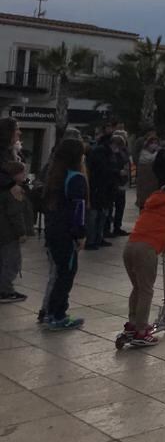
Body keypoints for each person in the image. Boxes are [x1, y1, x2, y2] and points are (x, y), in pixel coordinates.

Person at [121, 183, 165, 346]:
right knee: (146, 290)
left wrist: (164, 237)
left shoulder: (150, 204)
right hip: (146, 249)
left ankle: (132, 324)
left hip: (130, 246)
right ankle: (141, 331)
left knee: (137, 288)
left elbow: (154, 226)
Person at [42, 138, 88, 330]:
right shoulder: (76, 178)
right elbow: (78, 210)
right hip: (66, 233)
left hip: (53, 229)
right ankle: (57, 314)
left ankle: (51, 312)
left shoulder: (54, 174)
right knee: (66, 274)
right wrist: (80, 234)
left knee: (59, 272)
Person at [0, 161, 33, 303]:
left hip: (4, 231)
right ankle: (5, 290)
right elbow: (16, 214)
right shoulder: (14, 191)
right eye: (22, 172)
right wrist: (22, 232)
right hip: (10, 233)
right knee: (12, 262)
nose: (24, 175)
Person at [85, 131, 117, 250]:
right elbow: (103, 170)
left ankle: (97, 238)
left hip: (103, 189)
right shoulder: (101, 153)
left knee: (102, 215)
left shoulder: (105, 153)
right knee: (95, 216)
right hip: (98, 189)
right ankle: (92, 240)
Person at [107, 132, 131, 237]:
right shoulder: (110, 153)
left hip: (121, 182)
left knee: (120, 206)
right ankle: (107, 229)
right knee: (110, 207)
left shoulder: (123, 152)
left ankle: (117, 226)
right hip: (113, 182)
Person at [135, 133, 160, 210]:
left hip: (153, 182)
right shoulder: (143, 153)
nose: (154, 145)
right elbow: (149, 159)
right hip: (144, 182)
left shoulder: (156, 154)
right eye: (152, 143)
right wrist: (156, 153)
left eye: (156, 143)